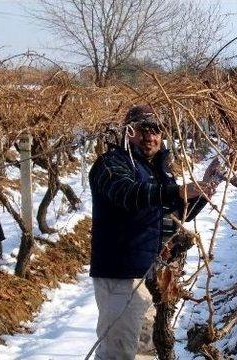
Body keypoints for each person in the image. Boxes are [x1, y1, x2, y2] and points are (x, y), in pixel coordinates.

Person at [88, 104, 220, 359]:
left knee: (145, 352)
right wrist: (178, 191)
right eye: (142, 129)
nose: (150, 136)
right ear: (128, 132)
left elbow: (176, 215)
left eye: (156, 130)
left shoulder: (158, 171)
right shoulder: (111, 165)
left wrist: (204, 188)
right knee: (119, 352)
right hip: (121, 275)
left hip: (149, 276)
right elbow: (128, 194)